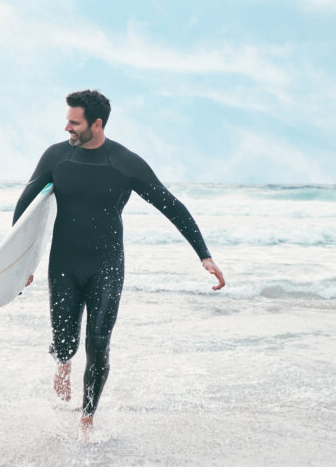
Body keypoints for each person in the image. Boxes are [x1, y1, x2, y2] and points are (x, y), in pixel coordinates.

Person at [13, 90, 225, 437]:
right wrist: (19, 264)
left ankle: (87, 417)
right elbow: (24, 206)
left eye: (74, 121)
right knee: (65, 340)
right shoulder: (55, 157)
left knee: (98, 341)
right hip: (64, 264)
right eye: (67, 119)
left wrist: (204, 255)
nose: (66, 126)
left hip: (106, 266)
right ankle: (63, 363)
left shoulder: (125, 163)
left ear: (96, 124)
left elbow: (171, 206)